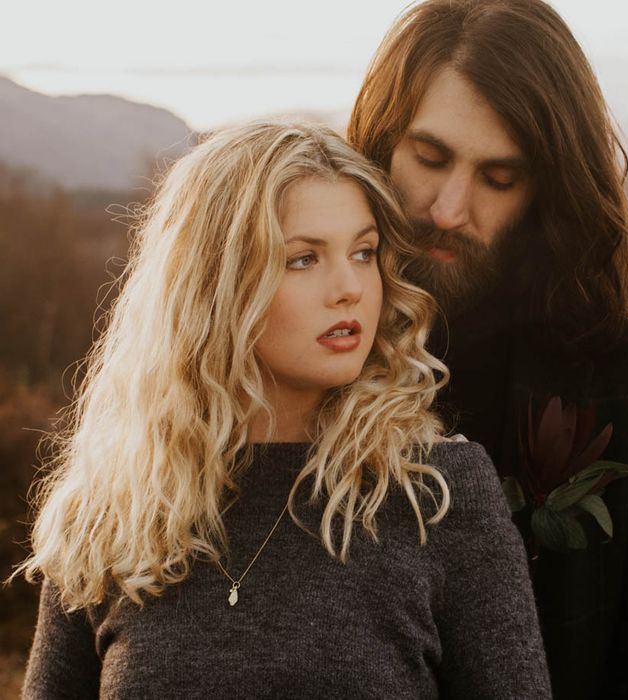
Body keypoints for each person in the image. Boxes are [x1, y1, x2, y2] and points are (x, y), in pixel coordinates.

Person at [15, 121, 552, 698]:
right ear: (216, 286)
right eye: (303, 259)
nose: (349, 287)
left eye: (364, 252)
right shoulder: (110, 512)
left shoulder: (436, 493)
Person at [347, 1, 628, 698]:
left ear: (547, 189)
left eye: (499, 178)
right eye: (430, 157)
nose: (448, 208)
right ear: (380, 143)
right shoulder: (303, 347)